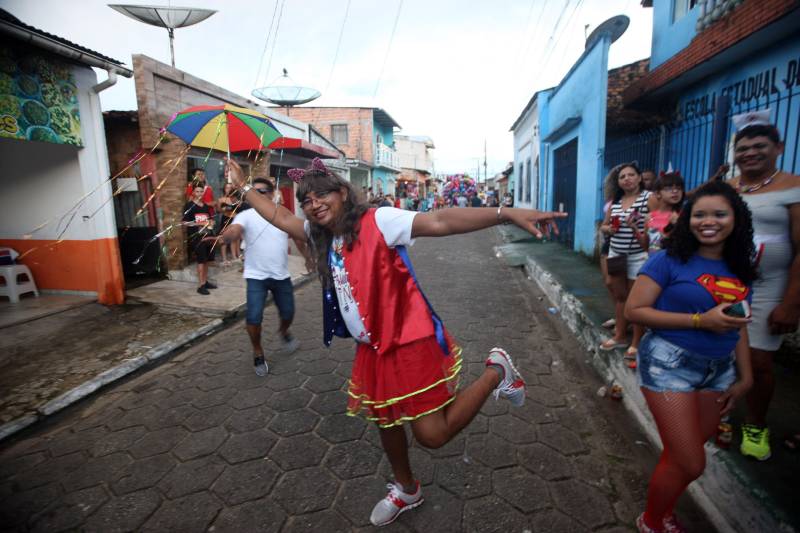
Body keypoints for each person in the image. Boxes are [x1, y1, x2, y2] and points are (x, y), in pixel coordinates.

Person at [226, 157, 566, 526]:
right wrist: (243, 186)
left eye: (321, 195)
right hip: (373, 350)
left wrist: (505, 213)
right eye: (306, 201)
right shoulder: (320, 235)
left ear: (342, 192)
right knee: (386, 421)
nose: (313, 205)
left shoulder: (379, 220)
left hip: (409, 341)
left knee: (432, 436)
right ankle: (407, 489)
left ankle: (496, 371)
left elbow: (440, 220)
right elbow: (279, 216)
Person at [625, 180, 755, 533]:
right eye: (699, 214)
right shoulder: (668, 260)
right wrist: (700, 320)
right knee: (692, 462)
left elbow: (738, 324)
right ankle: (652, 522)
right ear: (687, 218)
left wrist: (746, 377)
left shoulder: (740, 267)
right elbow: (634, 310)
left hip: (719, 371)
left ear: (736, 219)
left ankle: (662, 512)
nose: (708, 221)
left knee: (681, 455)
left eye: (719, 214)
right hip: (669, 365)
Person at [726, 111, 800, 460]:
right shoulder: (728, 189)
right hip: (725, 283)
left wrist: (791, 303)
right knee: (720, 355)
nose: (750, 153)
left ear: (779, 147)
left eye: (760, 146)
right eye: (742, 148)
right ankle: (720, 412)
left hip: (771, 285)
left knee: (758, 362)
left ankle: (756, 423)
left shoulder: (793, 187)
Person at [217, 178, 308, 376]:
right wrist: (226, 236)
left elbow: (298, 237)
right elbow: (235, 230)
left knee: (288, 313)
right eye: (254, 191)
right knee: (253, 317)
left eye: (263, 190)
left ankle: (283, 332)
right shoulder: (245, 215)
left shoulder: (282, 213)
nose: (258, 194)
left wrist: (308, 259)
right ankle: (258, 351)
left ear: (272, 192)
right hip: (256, 277)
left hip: (281, 276)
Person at [598, 163, 650, 365]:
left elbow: (657, 222)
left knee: (635, 301)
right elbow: (604, 224)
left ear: (639, 178)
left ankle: (636, 341)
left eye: (631, 175)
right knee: (620, 297)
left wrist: (643, 225)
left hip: (638, 255)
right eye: (622, 176)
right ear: (618, 182)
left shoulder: (649, 198)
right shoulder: (615, 203)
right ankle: (620, 335)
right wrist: (607, 229)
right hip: (616, 254)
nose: (627, 179)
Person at [183, 186, 217, 295]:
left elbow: (210, 219)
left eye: (202, 191)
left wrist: (212, 222)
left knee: (206, 260)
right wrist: (201, 223)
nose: (200, 193)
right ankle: (201, 286)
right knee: (201, 260)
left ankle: (205, 281)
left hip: (207, 235)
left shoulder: (206, 206)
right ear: (193, 193)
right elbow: (184, 223)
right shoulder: (189, 206)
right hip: (196, 237)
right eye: (197, 191)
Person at [645, 172, 684, 254]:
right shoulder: (649, 217)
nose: (675, 191)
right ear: (658, 194)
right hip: (653, 261)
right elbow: (645, 246)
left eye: (679, 188)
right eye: (669, 188)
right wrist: (634, 229)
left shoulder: (684, 216)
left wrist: (677, 225)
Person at [217, 182, 241, 267]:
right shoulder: (221, 199)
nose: (228, 189)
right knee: (224, 238)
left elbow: (239, 208)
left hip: (235, 219)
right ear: (224, 189)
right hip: (226, 219)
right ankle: (224, 259)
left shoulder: (235, 199)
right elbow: (219, 210)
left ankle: (234, 256)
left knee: (235, 238)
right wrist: (224, 208)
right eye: (227, 188)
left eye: (230, 188)